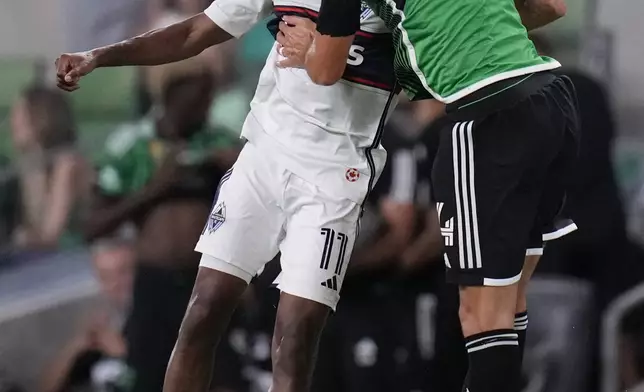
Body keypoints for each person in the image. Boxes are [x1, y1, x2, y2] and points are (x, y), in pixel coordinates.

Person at [53, 1, 397, 390]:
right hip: (264, 158)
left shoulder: (398, 7)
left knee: (296, 333)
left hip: (334, 177)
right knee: (203, 309)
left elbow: (422, 69)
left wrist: (321, 53)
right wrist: (98, 56)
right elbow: (193, 32)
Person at [276, 0, 579, 390]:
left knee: (481, 314)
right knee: (509, 301)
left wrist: (310, 51)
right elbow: (551, 7)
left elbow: (326, 69)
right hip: (550, 99)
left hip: (487, 112)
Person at [84, 70, 240, 392]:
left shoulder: (218, 142)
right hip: (154, 285)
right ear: (170, 98)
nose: (202, 109)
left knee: (220, 376)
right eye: (194, 100)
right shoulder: (131, 147)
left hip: (206, 281)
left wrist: (232, 167)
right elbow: (93, 226)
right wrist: (156, 188)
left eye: (206, 101)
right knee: (149, 377)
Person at [40, 242, 135, 392]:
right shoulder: (106, 320)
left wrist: (121, 352)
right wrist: (77, 346)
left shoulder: (156, 316)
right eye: (106, 277)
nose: (115, 284)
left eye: (123, 272)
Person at [9, 85, 91, 253]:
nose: (12, 122)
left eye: (20, 116)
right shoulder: (32, 165)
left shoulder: (67, 164)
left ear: (41, 118)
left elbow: (50, 236)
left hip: (77, 258)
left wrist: (21, 238)